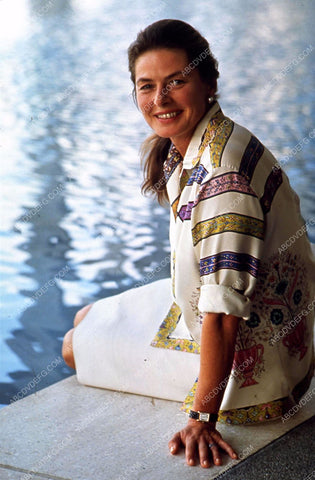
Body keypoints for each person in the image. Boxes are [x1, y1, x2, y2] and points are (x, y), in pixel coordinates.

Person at [62, 19, 315, 469]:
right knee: (84, 317)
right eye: (147, 86)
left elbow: (221, 313)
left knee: (71, 345)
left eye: (175, 82)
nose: (159, 100)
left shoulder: (222, 176)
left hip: (253, 362)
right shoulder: (205, 141)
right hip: (252, 319)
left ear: (208, 83)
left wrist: (202, 419)